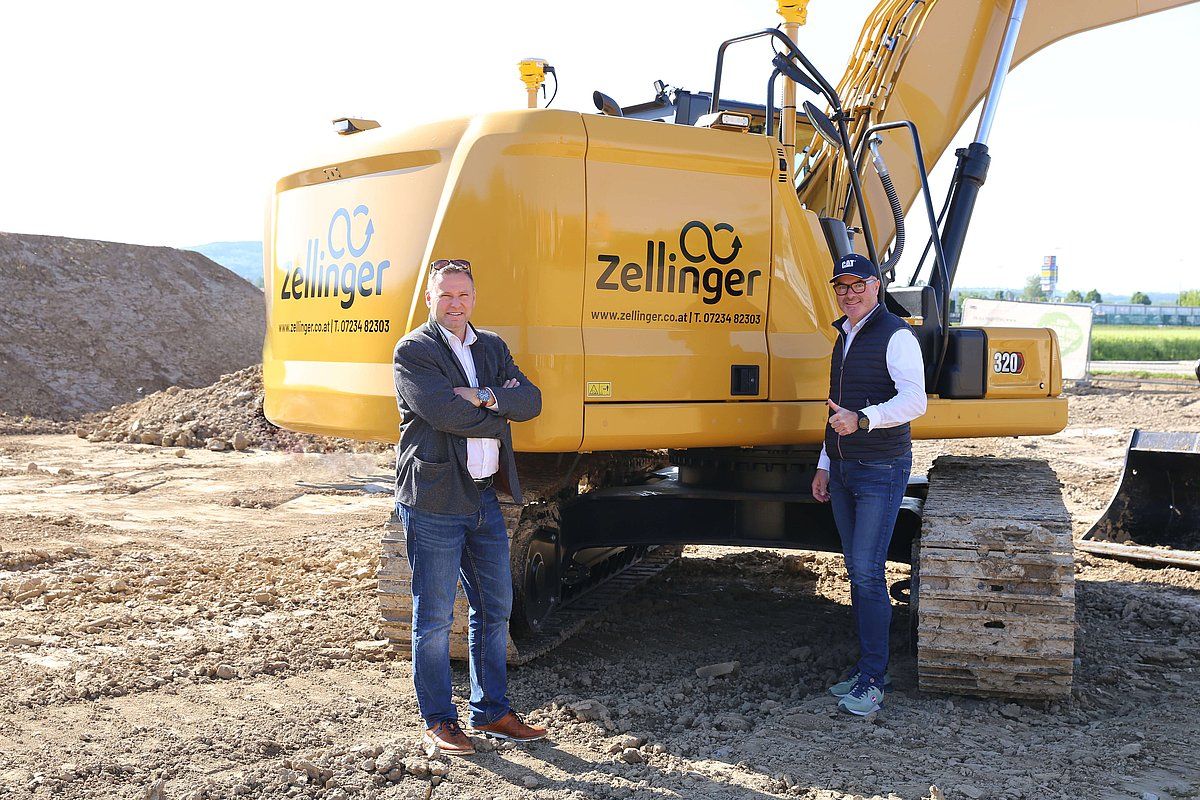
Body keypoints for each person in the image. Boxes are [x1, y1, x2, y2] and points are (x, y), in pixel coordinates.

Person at [392, 258, 547, 755]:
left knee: (496, 607)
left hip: (483, 496)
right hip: (435, 499)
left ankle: (492, 712)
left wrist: (480, 395)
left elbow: (532, 402)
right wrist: (499, 408)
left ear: (474, 298)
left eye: (463, 295)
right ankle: (439, 720)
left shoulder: (492, 347)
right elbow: (444, 413)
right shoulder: (415, 350)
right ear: (429, 299)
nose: (454, 304)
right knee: (435, 618)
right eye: (445, 295)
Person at [810, 253, 927, 716]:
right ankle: (867, 669)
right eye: (842, 286)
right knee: (857, 571)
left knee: (866, 571)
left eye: (858, 284)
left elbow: (915, 400)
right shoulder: (844, 335)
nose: (849, 293)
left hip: (880, 467)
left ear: (876, 286)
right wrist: (825, 464)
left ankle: (874, 680)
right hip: (843, 469)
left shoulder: (896, 335)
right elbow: (836, 407)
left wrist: (863, 419)